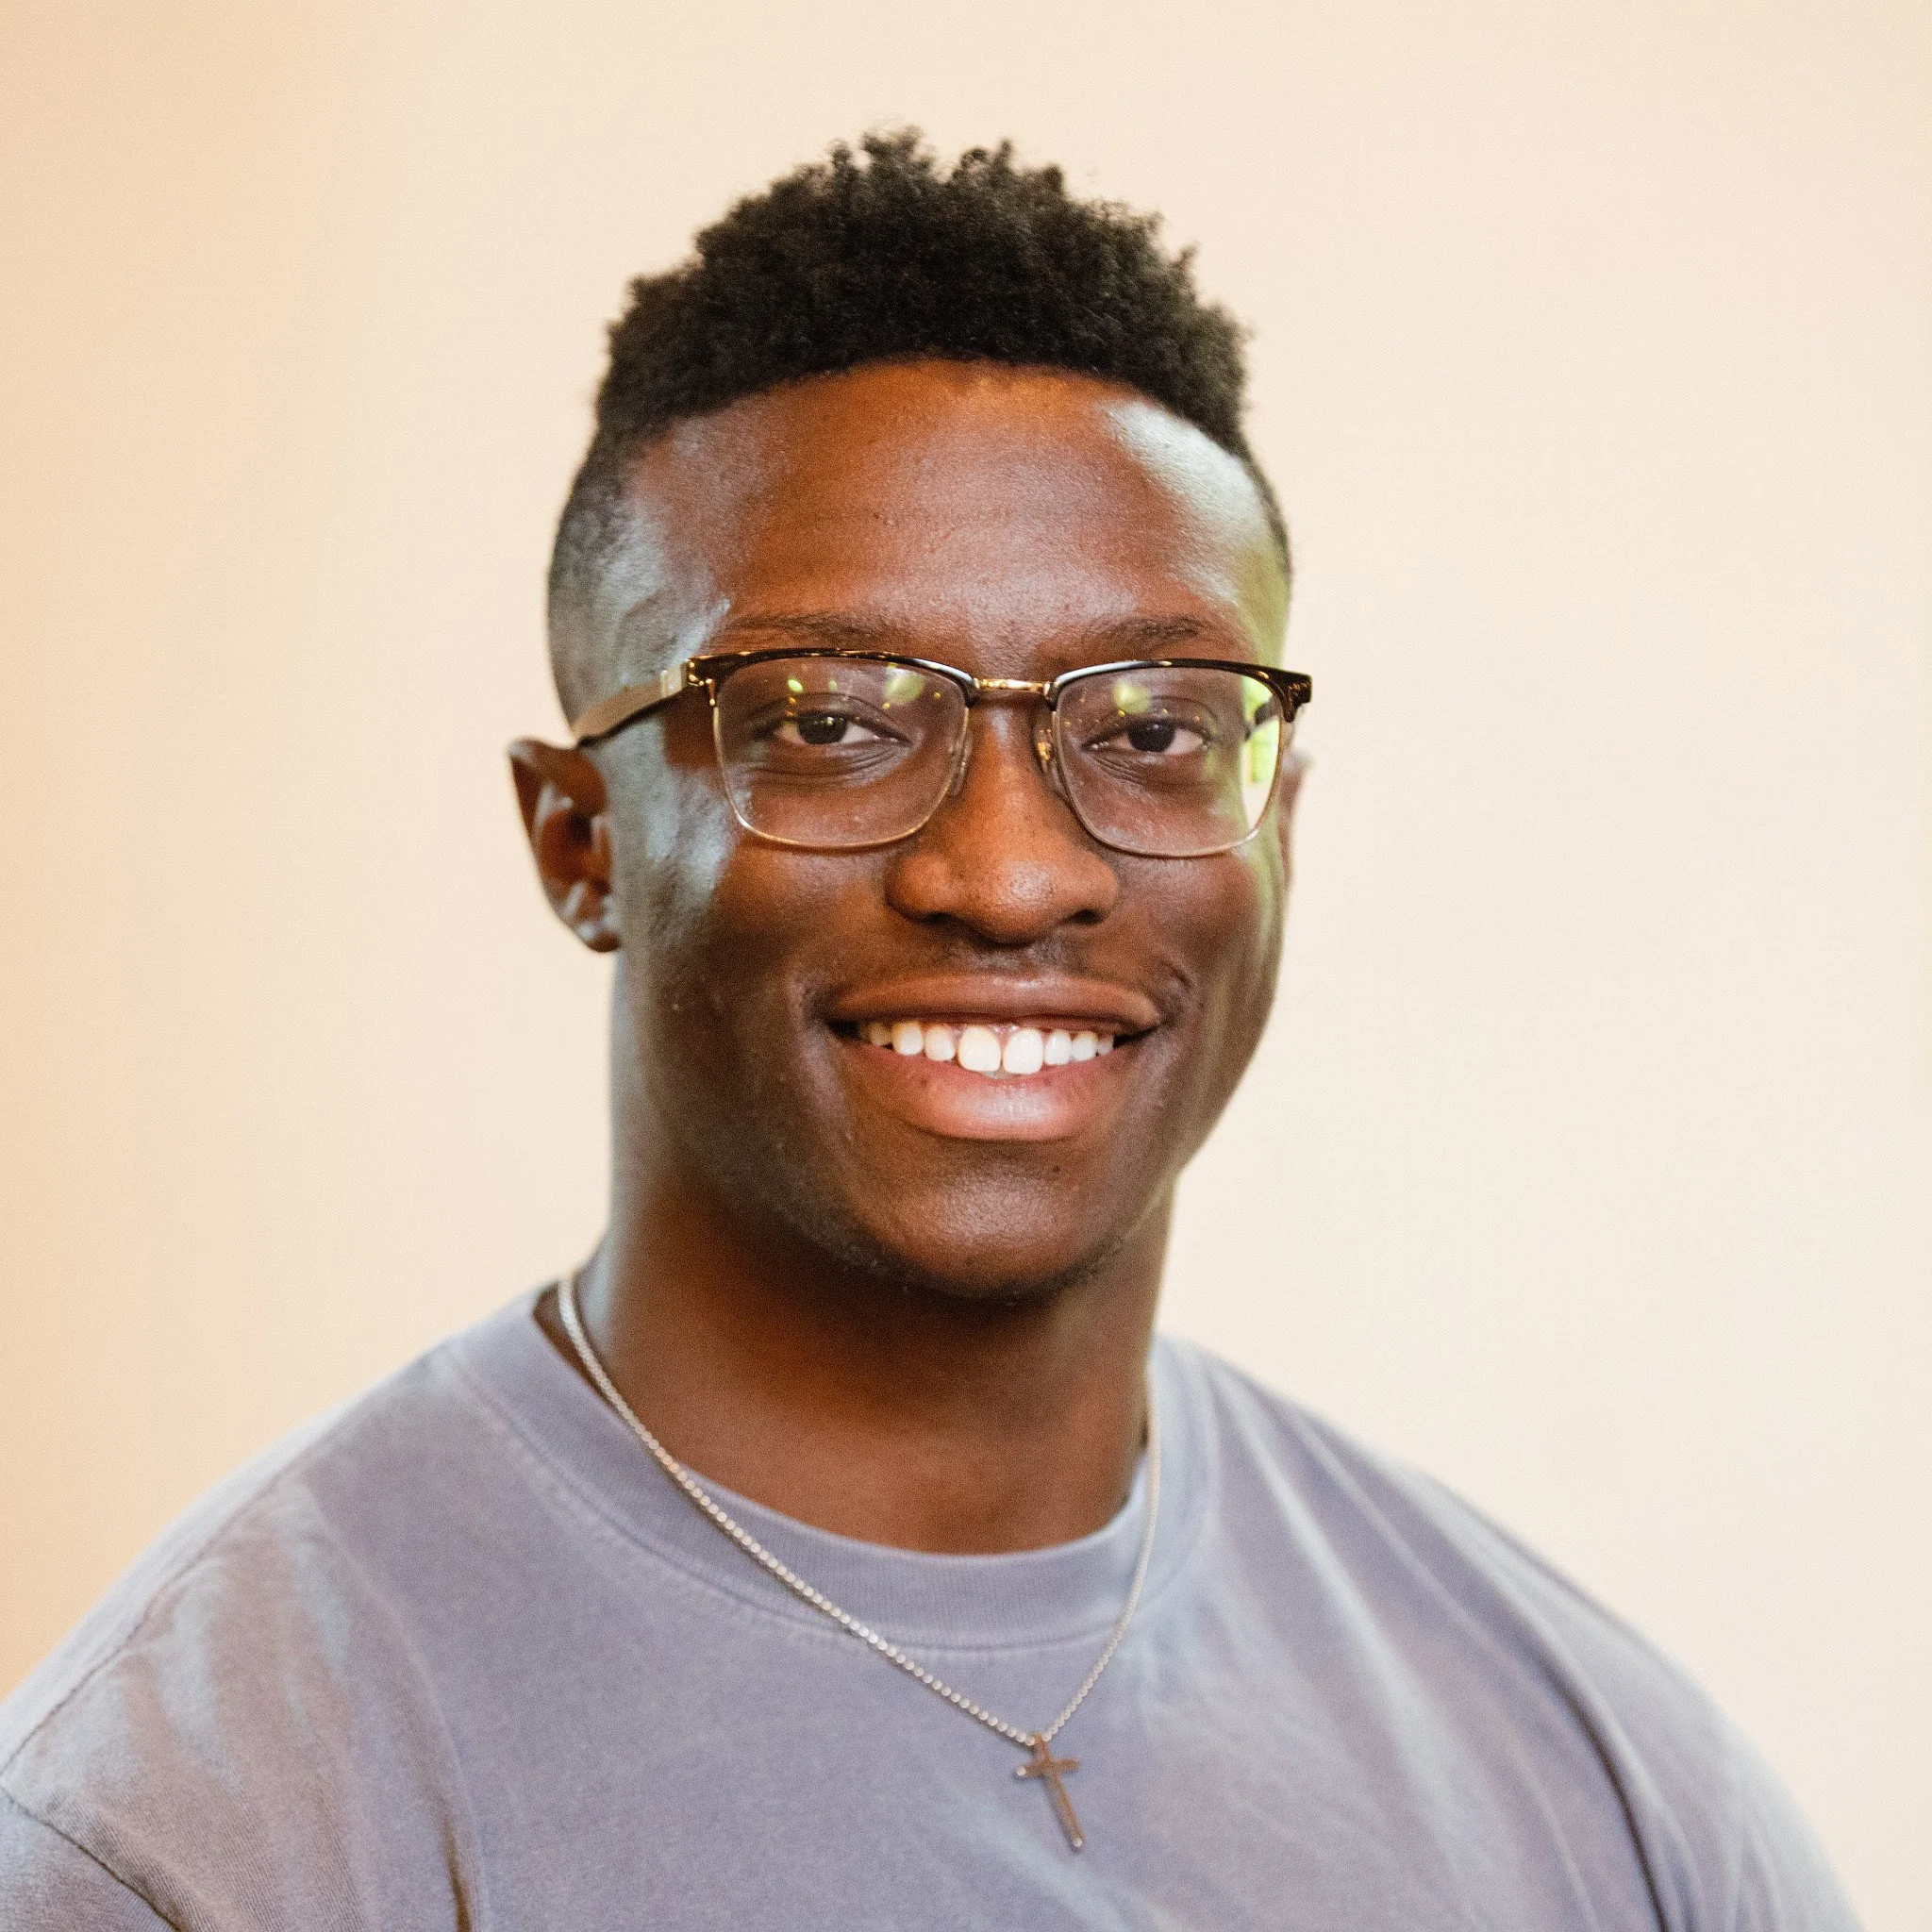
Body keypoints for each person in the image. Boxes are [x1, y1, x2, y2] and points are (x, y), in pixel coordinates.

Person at [0, 132, 1856, 1930]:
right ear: (582, 843)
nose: (1010, 869)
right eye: (827, 718)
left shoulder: (1608, 1786)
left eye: (1150, 727)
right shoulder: (183, 1835)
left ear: (1274, 830)